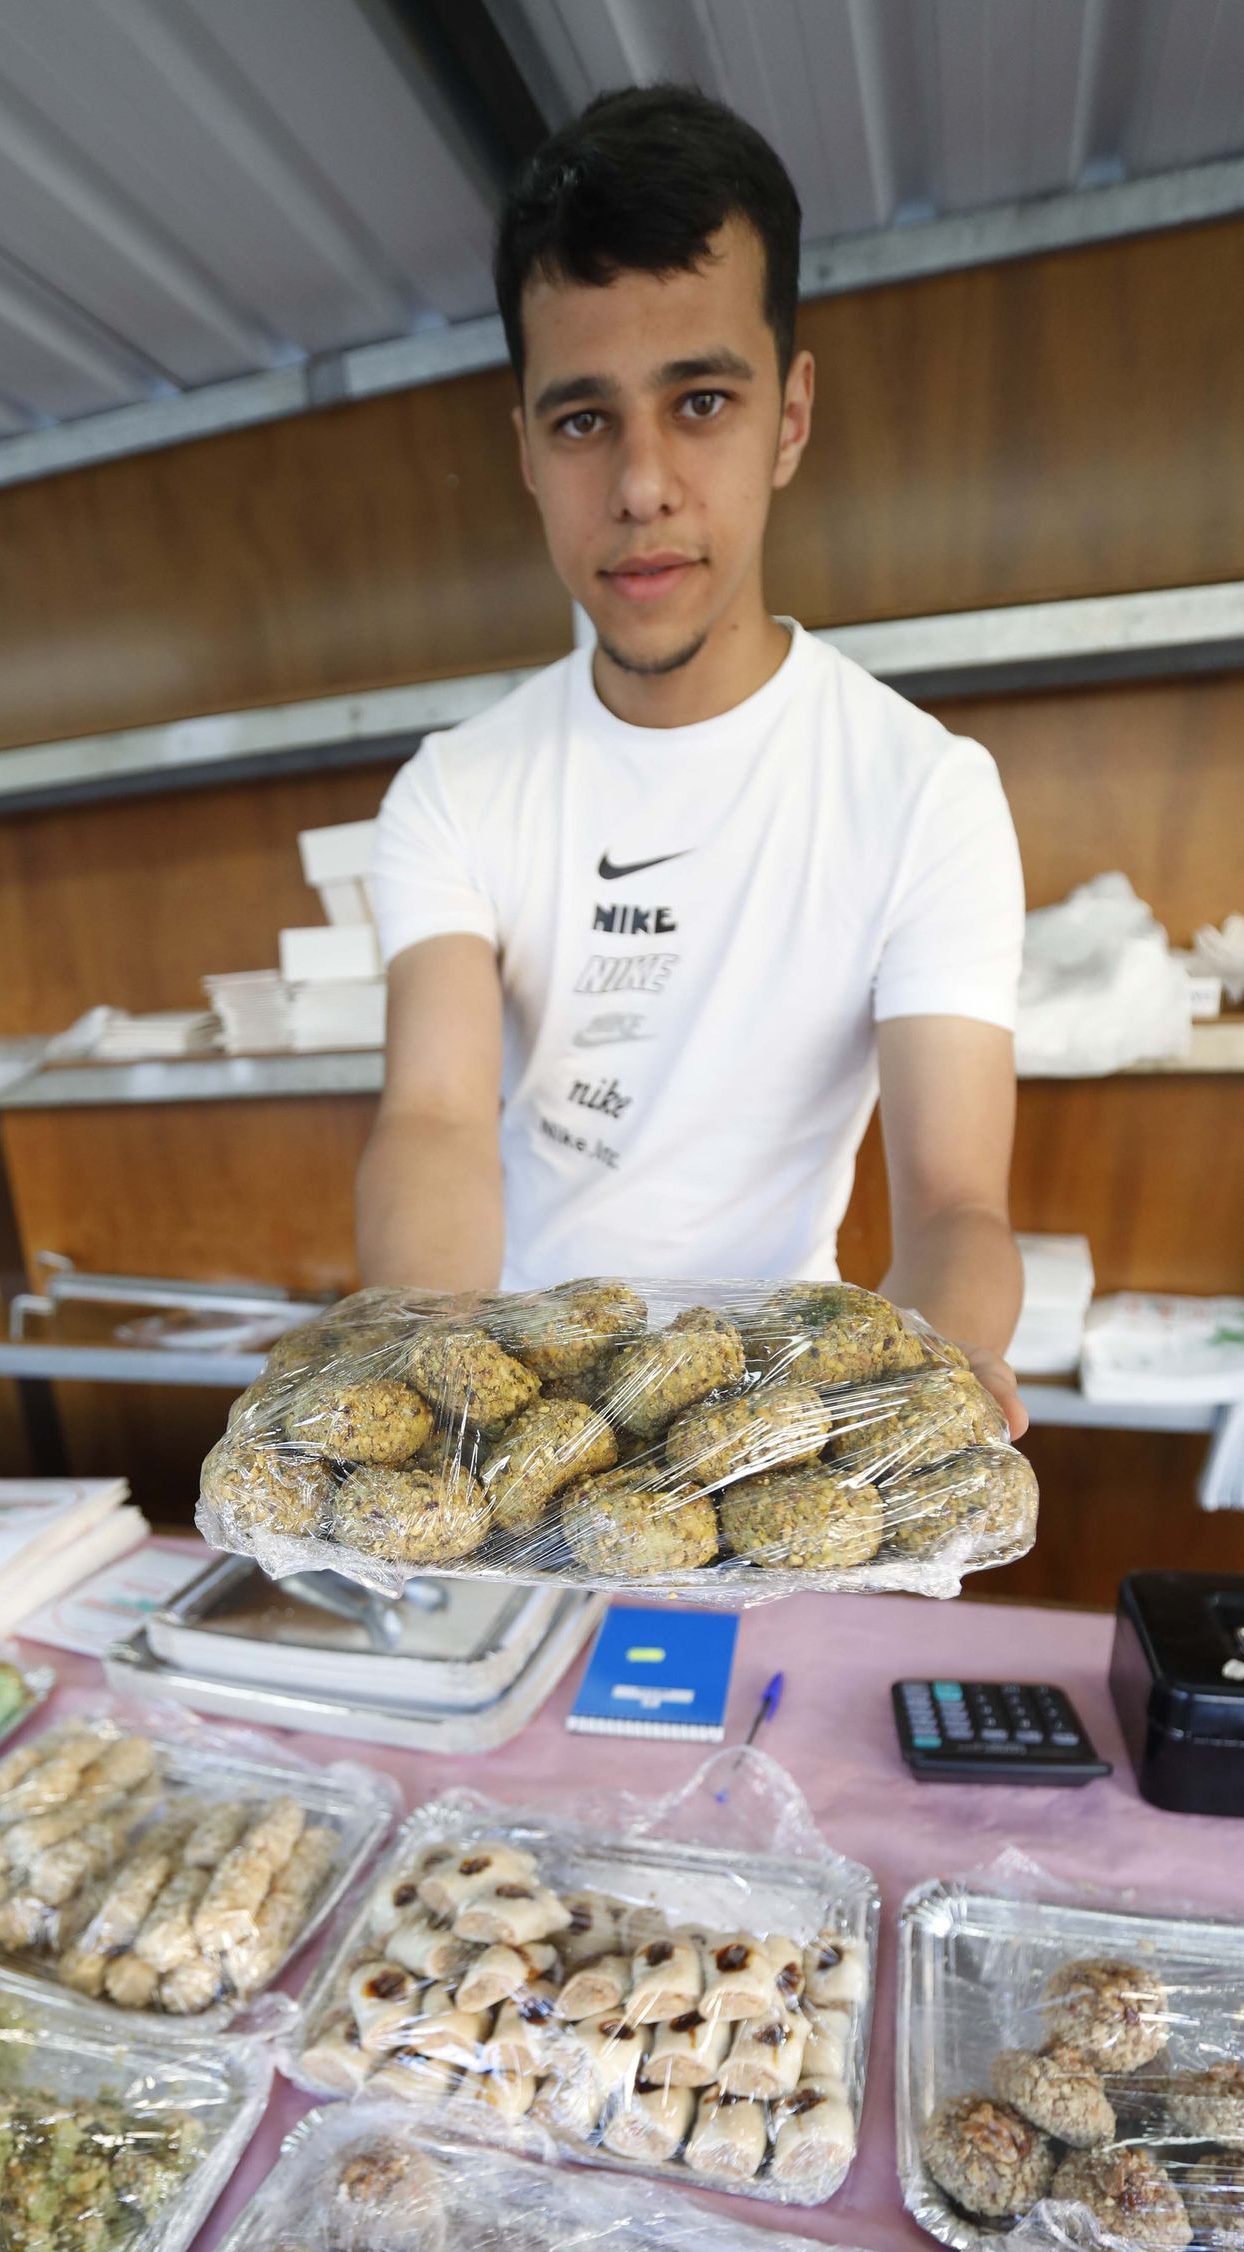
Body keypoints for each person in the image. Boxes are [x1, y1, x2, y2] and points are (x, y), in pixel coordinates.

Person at [358, 84, 1027, 1433]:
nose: (643, 485)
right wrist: (434, 1361)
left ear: (788, 417)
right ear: (531, 457)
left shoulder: (923, 791)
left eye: (702, 401)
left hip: (775, 1412)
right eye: (584, 420)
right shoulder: (455, 790)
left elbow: (957, 1201)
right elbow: (432, 1116)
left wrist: (929, 1384)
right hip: (526, 1402)